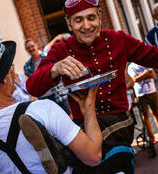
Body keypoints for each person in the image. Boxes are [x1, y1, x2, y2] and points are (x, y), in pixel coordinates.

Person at [0, 32, 134, 174]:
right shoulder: (41, 109)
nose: (14, 70)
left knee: (3, 165)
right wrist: (88, 109)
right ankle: (55, 161)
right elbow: (93, 157)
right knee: (119, 128)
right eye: (10, 67)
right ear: (4, 78)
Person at [26, 0, 158, 153]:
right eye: (78, 20)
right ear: (69, 24)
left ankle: (60, 154)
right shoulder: (60, 50)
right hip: (81, 124)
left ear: (99, 18)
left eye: (91, 18)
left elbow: (153, 56)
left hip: (118, 120)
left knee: (84, 150)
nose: (87, 26)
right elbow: (32, 88)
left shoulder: (118, 39)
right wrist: (54, 69)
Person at [24, 35, 71, 115]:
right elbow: (31, 82)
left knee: (68, 115)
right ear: (26, 50)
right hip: (44, 98)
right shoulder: (27, 66)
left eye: (32, 46)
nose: (31, 49)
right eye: (28, 48)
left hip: (58, 93)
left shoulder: (47, 56)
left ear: (36, 45)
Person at [128, 63, 158, 144]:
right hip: (140, 95)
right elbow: (132, 81)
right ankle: (151, 137)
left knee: (156, 113)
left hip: (152, 92)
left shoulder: (144, 62)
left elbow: (152, 75)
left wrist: (137, 78)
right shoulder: (131, 67)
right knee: (145, 116)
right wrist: (145, 74)